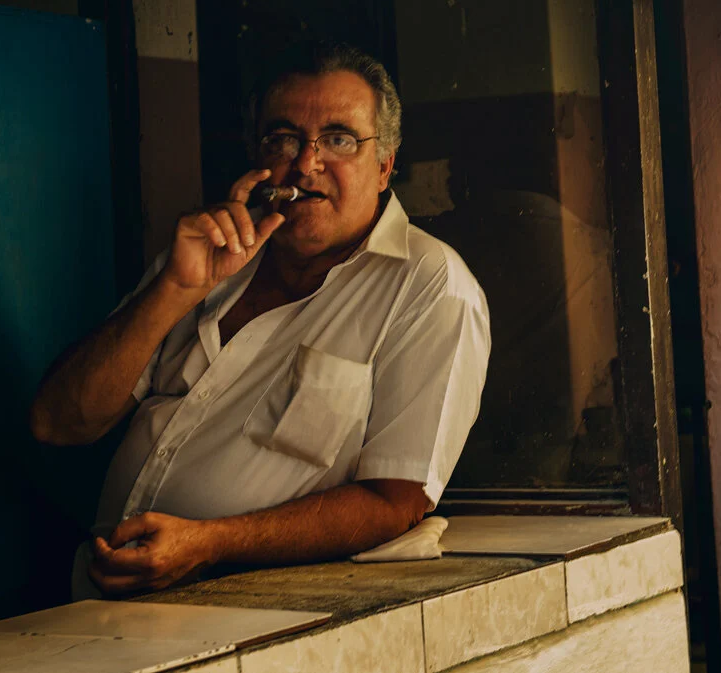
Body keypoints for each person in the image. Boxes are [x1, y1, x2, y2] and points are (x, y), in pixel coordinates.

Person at [29, 42, 491, 599]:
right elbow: (58, 423)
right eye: (283, 138)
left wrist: (209, 544)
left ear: (386, 164)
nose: (306, 162)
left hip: (251, 612)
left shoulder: (430, 285)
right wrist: (174, 289)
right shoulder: (206, 254)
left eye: (339, 139)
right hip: (95, 602)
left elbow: (396, 503)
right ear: (257, 154)